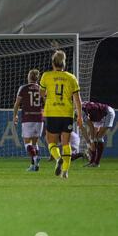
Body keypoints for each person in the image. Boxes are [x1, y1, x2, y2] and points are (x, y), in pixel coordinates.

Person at [39, 50, 83, 179]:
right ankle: (65, 172)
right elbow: (77, 100)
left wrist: (48, 93)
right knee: (66, 143)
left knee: (50, 141)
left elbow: (41, 93)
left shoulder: (46, 76)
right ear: (64, 63)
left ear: (53, 63)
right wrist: (79, 116)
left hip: (52, 112)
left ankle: (58, 158)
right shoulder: (71, 77)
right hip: (67, 114)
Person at [13, 69, 44, 171]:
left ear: (29, 77)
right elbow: (46, 102)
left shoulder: (23, 88)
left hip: (28, 118)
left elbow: (17, 104)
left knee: (27, 143)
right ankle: (34, 166)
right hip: (39, 118)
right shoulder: (41, 88)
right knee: (35, 143)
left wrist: (15, 116)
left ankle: (35, 158)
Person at [79, 101, 115, 167]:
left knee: (98, 137)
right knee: (92, 136)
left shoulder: (81, 112)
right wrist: (88, 143)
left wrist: (91, 142)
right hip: (98, 116)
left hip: (107, 113)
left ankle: (96, 163)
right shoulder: (79, 109)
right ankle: (92, 162)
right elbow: (83, 128)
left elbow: (91, 127)